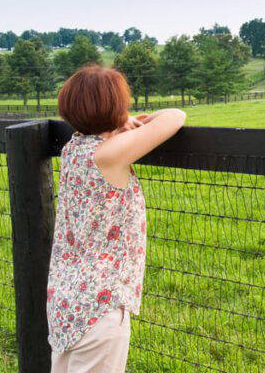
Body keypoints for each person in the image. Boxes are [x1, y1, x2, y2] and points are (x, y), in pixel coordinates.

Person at [47, 65, 186, 372]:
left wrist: (118, 123)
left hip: (65, 303)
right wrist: (127, 120)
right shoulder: (109, 156)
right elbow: (175, 116)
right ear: (115, 108)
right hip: (100, 307)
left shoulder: (72, 149)